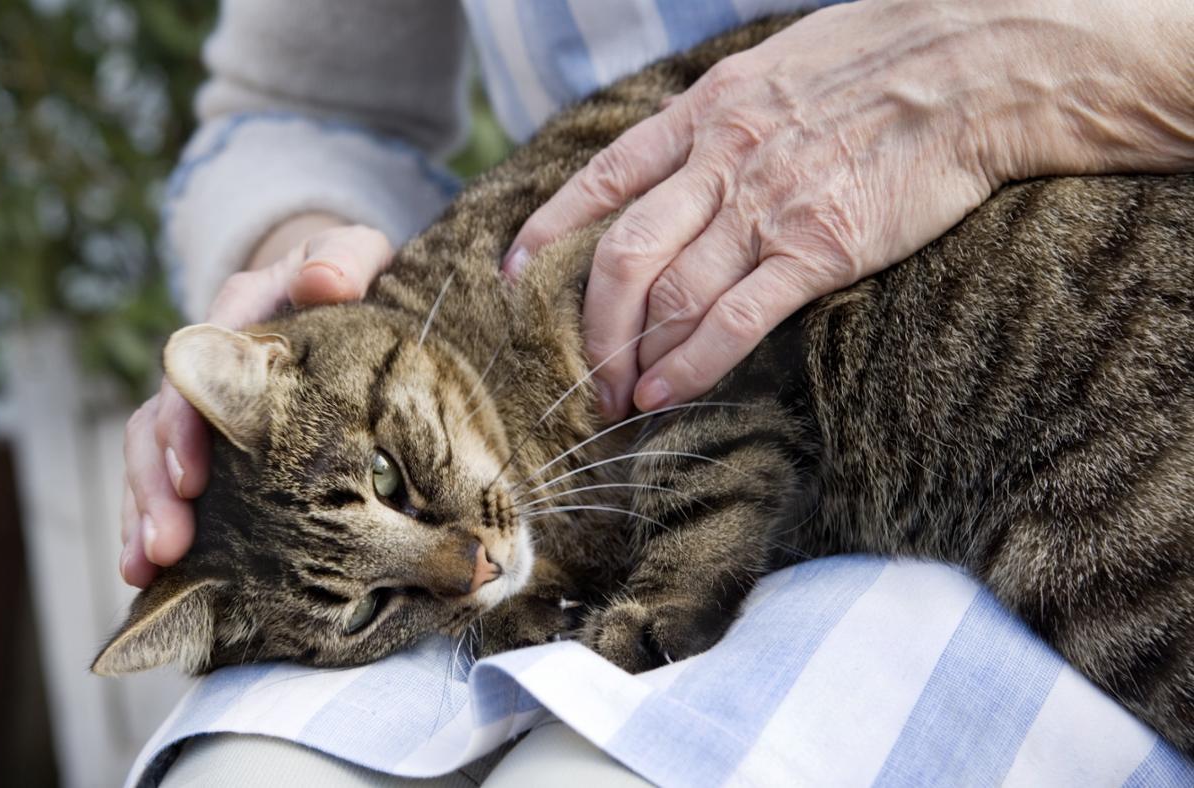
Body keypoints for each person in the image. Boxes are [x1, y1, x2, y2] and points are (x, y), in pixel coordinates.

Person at [121, 1, 1194, 783]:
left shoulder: (525, 313)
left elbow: (718, 398)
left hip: (1078, 241)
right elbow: (295, 106)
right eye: (364, 597)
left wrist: (1029, 62)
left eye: (391, 487)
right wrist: (308, 275)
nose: (459, 564)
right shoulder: (463, 414)